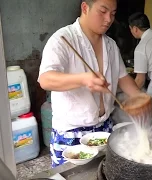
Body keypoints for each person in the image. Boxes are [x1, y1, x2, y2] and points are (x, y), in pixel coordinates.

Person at [38, 0, 141, 167]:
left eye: (113, 14)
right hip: (72, 133)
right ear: (85, 8)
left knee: (105, 173)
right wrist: (83, 79)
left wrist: (142, 99)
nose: (108, 19)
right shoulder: (63, 39)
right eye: (103, 11)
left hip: (105, 128)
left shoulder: (110, 45)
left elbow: (123, 78)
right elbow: (46, 79)